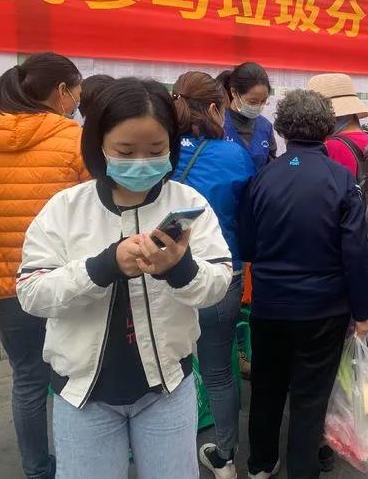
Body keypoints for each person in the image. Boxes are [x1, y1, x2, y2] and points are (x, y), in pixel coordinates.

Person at [15, 77, 233, 478]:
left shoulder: (188, 203)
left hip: (167, 389)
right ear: (98, 144)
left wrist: (180, 269)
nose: (142, 162)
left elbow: (218, 283)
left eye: (156, 150)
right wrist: (102, 267)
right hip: (84, 396)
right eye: (126, 151)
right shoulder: (65, 209)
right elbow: (31, 293)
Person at [239, 89, 368, 479]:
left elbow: (246, 245)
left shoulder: (262, 177)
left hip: (270, 303)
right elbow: (357, 253)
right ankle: (303, 469)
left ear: (282, 129)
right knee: (311, 395)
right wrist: (362, 312)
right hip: (323, 308)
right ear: (327, 127)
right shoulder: (342, 179)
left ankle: (261, 464)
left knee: (266, 386)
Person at [0, 52, 88, 479]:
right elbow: (95, 209)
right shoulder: (71, 139)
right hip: (60, 282)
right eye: (77, 91)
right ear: (62, 91)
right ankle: (80, 465)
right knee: (75, 377)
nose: (78, 101)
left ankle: (37, 470)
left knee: (28, 379)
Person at [171, 71, 256, 479]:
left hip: (164, 277)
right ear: (213, 108)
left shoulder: (159, 151)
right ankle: (226, 457)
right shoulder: (235, 155)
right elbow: (249, 220)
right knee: (219, 371)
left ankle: (164, 456)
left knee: (166, 371)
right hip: (222, 274)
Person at [308, 72, 368, 474]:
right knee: (355, 343)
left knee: (330, 358)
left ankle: (329, 431)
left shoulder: (334, 148)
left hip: (340, 263)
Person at [218, 62, 277, 170]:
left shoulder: (265, 127)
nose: (258, 106)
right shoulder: (218, 123)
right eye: (253, 102)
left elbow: (271, 168)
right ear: (234, 92)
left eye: (263, 101)